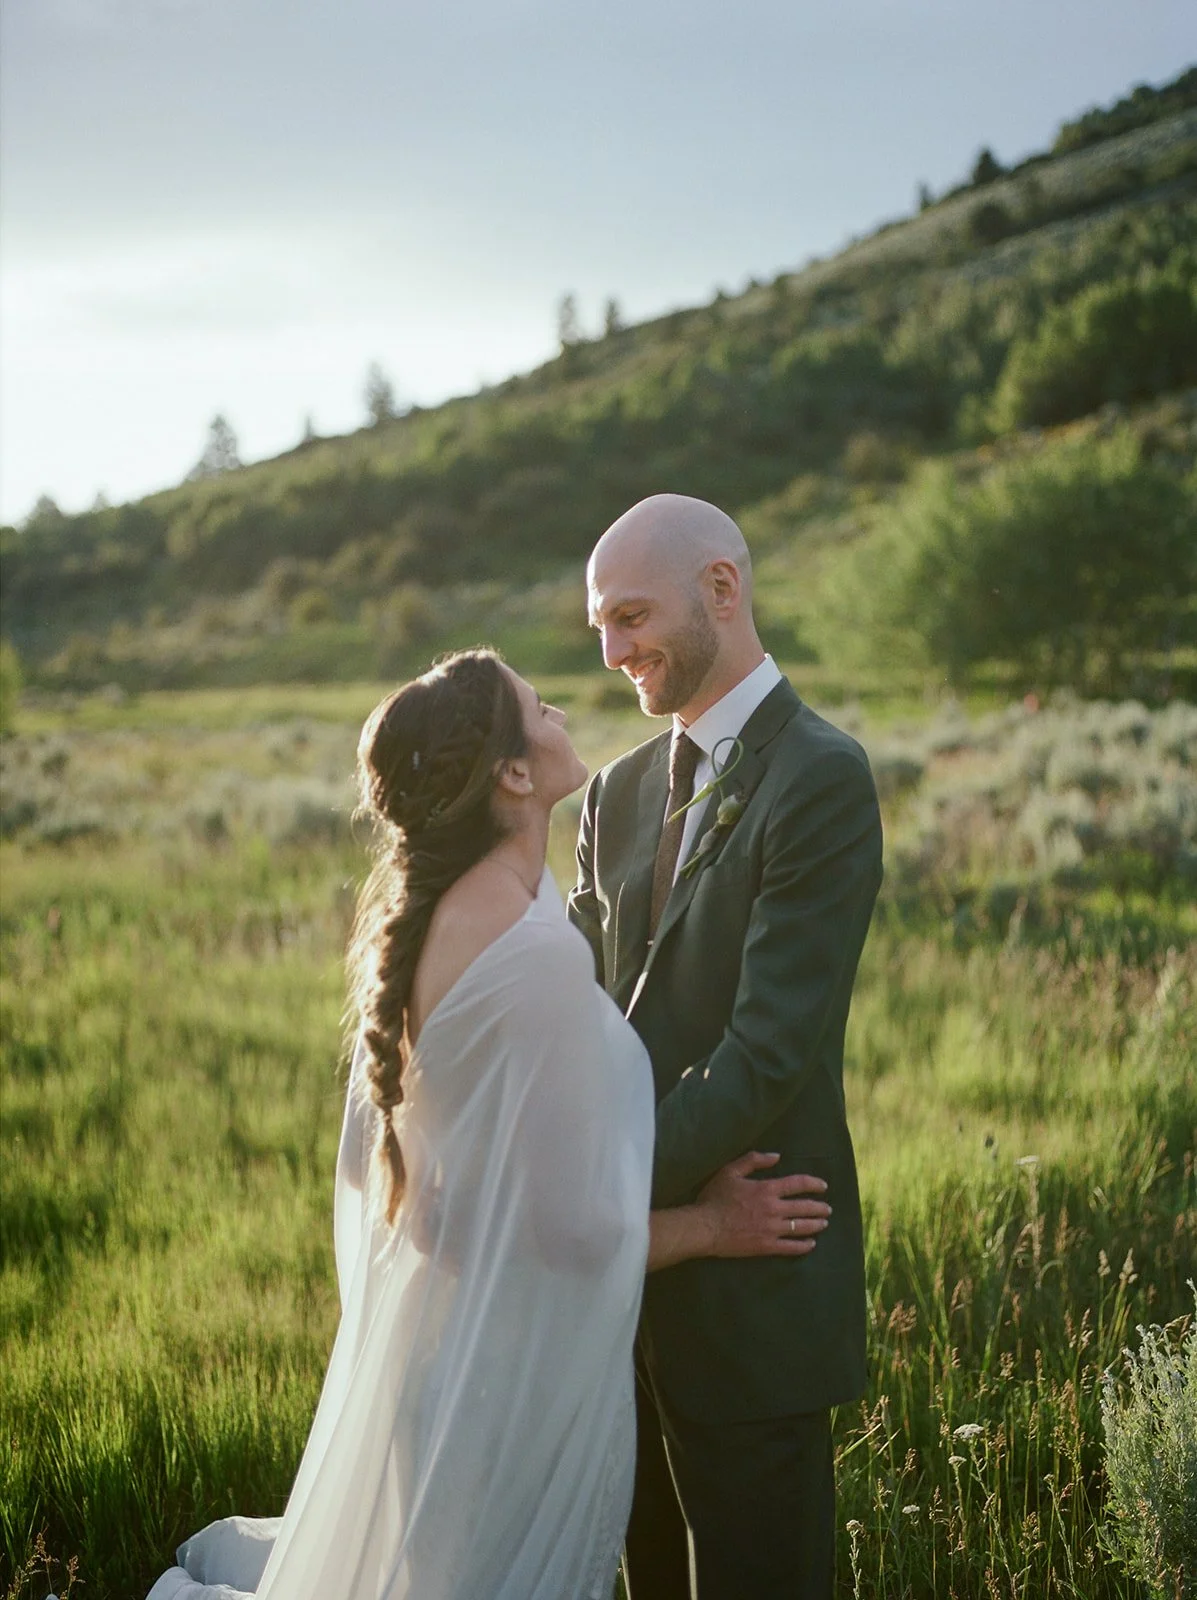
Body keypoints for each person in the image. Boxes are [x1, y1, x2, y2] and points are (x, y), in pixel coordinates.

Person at [143, 648, 833, 1600]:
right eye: (538, 708)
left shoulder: (444, 916)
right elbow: (562, 1232)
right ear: (512, 773)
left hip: (452, 1363)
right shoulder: (528, 953)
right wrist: (714, 1225)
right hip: (503, 1389)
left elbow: (430, 1208)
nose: (559, 712)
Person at [569, 495, 884, 1600]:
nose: (613, 653)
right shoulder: (609, 795)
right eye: (599, 628)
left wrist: (597, 1195)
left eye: (631, 616)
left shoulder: (821, 776)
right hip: (619, 1301)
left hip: (752, 1291)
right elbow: (580, 1007)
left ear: (722, 587)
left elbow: (767, 1050)